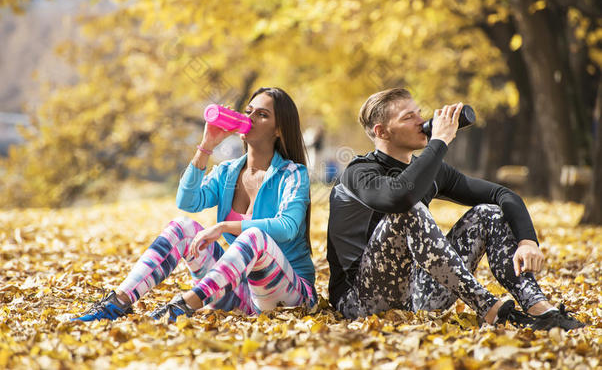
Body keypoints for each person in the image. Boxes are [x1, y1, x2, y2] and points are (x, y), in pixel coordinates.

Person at [326, 88, 585, 330]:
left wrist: (528, 241)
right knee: (409, 210)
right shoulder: (358, 173)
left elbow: (501, 194)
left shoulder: (432, 170)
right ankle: (490, 308)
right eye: (408, 117)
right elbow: (399, 196)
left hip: (418, 297)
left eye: (419, 113)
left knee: (489, 212)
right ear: (382, 132)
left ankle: (541, 309)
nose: (421, 121)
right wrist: (439, 141)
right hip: (360, 301)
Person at [73, 87, 316, 322]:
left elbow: (287, 227)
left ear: (279, 130)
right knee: (183, 226)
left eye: (261, 115)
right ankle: (118, 302)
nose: (249, 118)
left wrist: (224, 226)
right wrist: (207, 144)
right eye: (248, 110)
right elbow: (187, 201)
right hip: (241, 294)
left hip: (290, 296)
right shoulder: (228, 171)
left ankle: (184, 305)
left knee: (254, 236)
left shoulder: (293, 174)